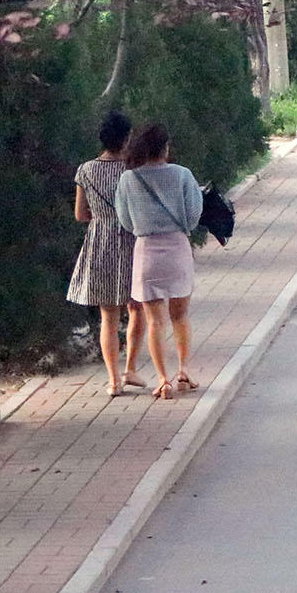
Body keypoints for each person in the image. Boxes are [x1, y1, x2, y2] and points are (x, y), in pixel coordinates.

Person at [114, 123, 202, 401]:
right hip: (177, 248)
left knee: (154, 322)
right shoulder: (183, 175)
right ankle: (184, 370)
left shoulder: (129, 180)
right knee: (180, 316)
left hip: (147, 252)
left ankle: (163, 380)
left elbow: (125, 221)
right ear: (165, 147)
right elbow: (193, 216)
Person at [66, 111, 145, 396]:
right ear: (126, 138)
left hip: (99, 242)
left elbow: (79, 214)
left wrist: (101, 217)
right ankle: (131, 368)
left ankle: (112, 381)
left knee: (107, 317)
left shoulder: (85, 170)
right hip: (132, 239)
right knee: (137, 307)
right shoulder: (133, 169)